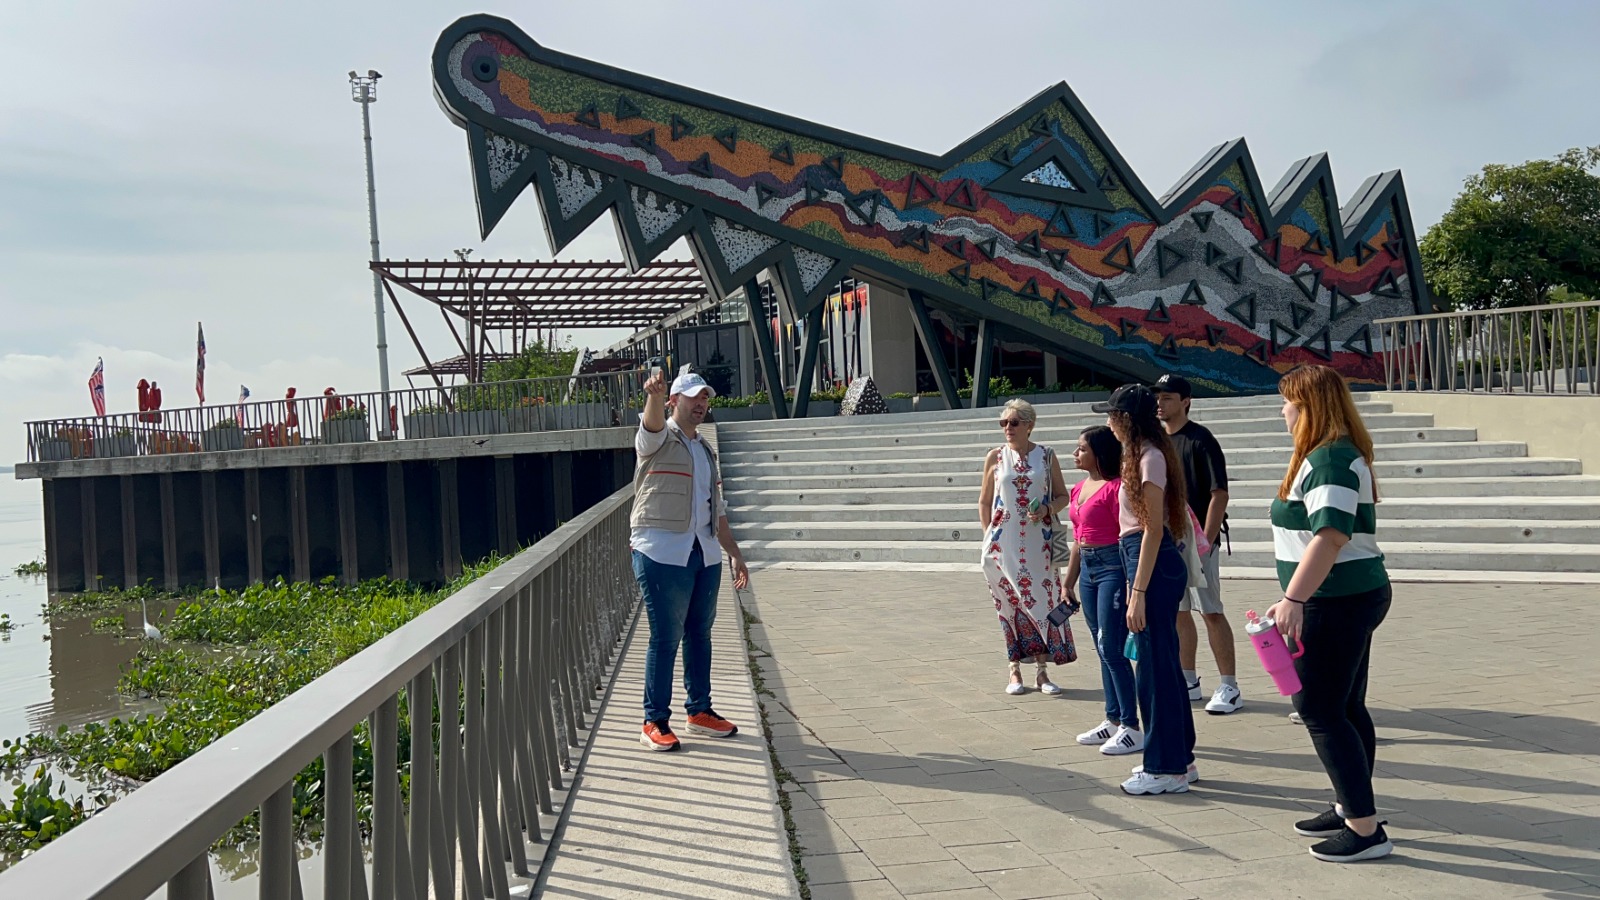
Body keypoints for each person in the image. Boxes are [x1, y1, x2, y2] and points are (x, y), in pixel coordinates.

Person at [1264, 365, 1394, 862]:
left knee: (1318, 710)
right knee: (1344, 706)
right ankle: (1353, 807)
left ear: (1309, 406)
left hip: (1335, 600)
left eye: (1288, 402)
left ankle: (1364, 830)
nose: (1283, 411)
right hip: (1344, 595)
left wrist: (1294, 599)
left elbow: (1331, 536)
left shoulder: (1330, 459)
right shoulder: (1329, 454)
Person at [632, 367, 751, 752]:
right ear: (674, 401)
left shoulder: (704, 449)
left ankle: (699, 710)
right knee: (665, 637)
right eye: (693, 397)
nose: (701, 404)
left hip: (704, 552)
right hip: (662, 551)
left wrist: (734, 554)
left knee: (699, 634)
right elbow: (649, 426)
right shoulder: (659, 439)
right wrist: (652, 395)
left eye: (705, 399)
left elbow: (717, 510)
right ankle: (654, 720)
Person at [1093, 385, 1196, 795]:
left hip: (1149, 561)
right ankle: (1179, 760)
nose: (1108, 423)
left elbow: (1153, 528)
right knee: (1161, 667)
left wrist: (1137, 591)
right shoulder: (1140, 455)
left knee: (1155, 671)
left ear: (1126, 420)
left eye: (1112, 415)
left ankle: (1165, 766)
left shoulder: (1150, 457)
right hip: (1140, 556)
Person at [1152, 374, 1241, 715]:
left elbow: (1219, 493)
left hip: (1199, 541)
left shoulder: (1201, 440)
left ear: (1186, 401)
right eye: (1158, 397)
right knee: (1179, 611)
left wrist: (1206, 539)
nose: (1160, 403)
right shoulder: (1158, 441)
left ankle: (1229, 686)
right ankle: (1188, 679)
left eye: (1168, 397)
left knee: (1211, 610)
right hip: (1168, 540)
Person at [980, 398, 1077, 696]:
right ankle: (1014, 669)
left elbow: (1064, 496)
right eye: (1003, 423)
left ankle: (1042, 672)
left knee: (1041, 603)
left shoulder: (1046, 456)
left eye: (1014, 423)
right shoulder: (995, 457)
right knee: (1008, 604)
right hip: (1002, 545)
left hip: (1040, 545)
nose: (1007, 428)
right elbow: (985, 501)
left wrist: (1047, 509)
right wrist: (989, 536)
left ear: (1029, 426)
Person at [1063, 426, 1142, 755]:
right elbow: (1078, 540)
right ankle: (1112, 718)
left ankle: (1131, 726)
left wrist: (1130, 584)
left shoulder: (1117, 488)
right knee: (1100, 646)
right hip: (1089, 570)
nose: (1075, 453)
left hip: (1113, 567)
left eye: (1081, 448)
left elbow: (1128, 540)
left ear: (1099, 452)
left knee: (1112, 648)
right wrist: (1068, 582)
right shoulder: (1079, 488)